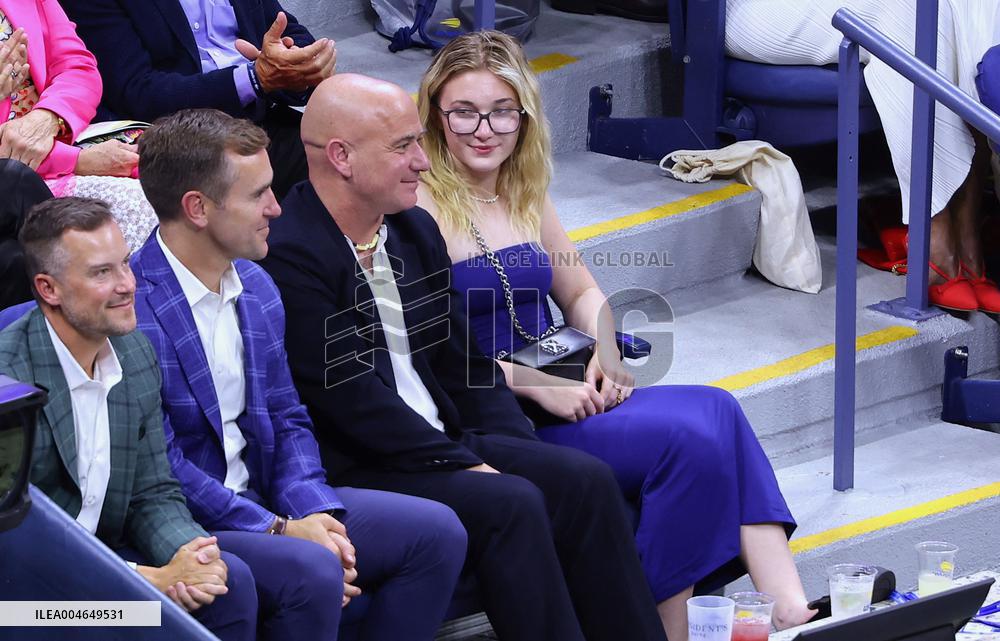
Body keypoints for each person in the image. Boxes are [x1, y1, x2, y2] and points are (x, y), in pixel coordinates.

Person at [415, 31, 815, 641]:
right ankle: (661, 628)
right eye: (464, 112)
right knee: (689, 439)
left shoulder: (523, 189)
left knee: (719, 409)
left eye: (501, 111)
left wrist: (603, 345)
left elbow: (578, 292)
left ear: (523, 116)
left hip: (560, 372)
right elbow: (425, 355)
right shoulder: (418, 208)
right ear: (435, 116)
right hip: (496, 406)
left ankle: (788, 610)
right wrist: (532, 380)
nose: (484, 129)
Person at [259, 73, 667, 641]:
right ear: (341, 156)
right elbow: (350, 399)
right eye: (403, 146)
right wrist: (466, 464)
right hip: (363, 461)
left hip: (439, 441)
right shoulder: (288, 255)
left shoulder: (411, 230)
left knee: (583, 480)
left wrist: (516, 448)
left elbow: (463, 364)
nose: (423, 163)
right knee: (512, 501)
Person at [131, 108, 467, 641]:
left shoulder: (260, 288)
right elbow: (162, 467)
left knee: (436, 532)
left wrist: (311, 510)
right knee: (312, 568)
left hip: (274, 499)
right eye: (256, 194)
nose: (275, 208)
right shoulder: (131, 312)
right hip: (196, 521)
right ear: (197, 207)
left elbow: (288, 416)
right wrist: (281, 530)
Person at [0, 197, 258, 641]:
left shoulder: (135, 353)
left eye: (124, 263)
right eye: (102, 273)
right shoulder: (8, 380)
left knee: (224, 583)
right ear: (48, 289)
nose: (127, 284)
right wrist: (140, 580)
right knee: (144, 617)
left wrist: (189, 554)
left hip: (106, 566)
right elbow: (18, 545)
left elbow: (151, 490)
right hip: (26, 605)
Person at [725, 0, 1000, 312]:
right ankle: (935, 242)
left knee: (970, 3)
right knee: (907, 12)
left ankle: (968, 242)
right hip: (747, 10)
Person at [61, 0, 336, 199]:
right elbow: (138, 92)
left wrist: (303, 61)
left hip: (262, 114)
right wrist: (253, 79)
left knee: (356, 149)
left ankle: (371, 270)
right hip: (182, 142)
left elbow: (282, 26)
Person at [0, 0, 156, 253]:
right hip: (22, 175)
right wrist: (76, 161)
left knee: (187, 160)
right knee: (136, 204)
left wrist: (49, 116)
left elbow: (77, 66)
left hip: (63, 132)